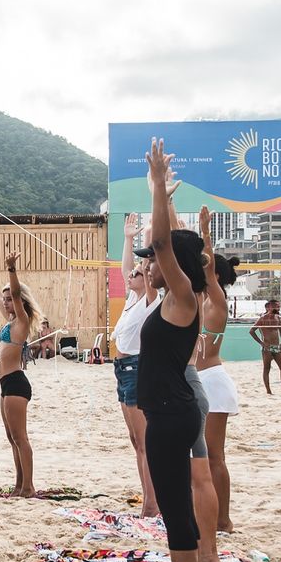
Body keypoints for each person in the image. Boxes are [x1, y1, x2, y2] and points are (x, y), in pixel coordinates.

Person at [135, 140, 210, 562]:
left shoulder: (182, 296)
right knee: (174, 510)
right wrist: (161, 198)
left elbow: (167, 244)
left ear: (174, 267)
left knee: (177, 513)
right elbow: (170, 242)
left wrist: (158, 186)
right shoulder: (172, 298)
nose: (149, 264)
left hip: (171, 414)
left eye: (154, 260)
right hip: (166, 413)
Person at [196, 207, 243, 535]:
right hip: (201, 381)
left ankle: (224, 519)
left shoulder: (217, 301)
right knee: (201, 455)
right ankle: (212, 515)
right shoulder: (199, 300)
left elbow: (208, 268)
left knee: (214, 456)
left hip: (213, 380)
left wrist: (205, 233)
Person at [111, 212, 160, 518]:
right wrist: (128, 239)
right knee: (135, 441)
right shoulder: (133, 297)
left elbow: (141, 268)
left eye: (139, 274)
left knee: (144, 442)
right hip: (123, 370)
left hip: (136, 369)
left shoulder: (150, 300)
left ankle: (152, 504)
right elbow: (127, 268)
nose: (131, 276)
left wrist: (145, 245)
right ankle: (148, 498)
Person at [0, 251, 39, 497]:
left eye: (9, 299)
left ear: (20, 302)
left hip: (16, 382)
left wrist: (11, 269)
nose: (6, 302)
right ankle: (18, 484)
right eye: (5, 300)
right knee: (11, 437)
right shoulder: (10, 322)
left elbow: (14, 294)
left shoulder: (21, 321)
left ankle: (29, 486)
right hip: (5, 384)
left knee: (20, 437)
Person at [249, 300, 281, 395]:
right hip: (267, 347)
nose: (277, 308)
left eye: (278, 306)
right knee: (267, 368)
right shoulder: (262, 318)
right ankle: (268, 391)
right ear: (269, 307)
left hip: (276, 347)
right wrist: (261, 343)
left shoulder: (277, 318)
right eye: (276, 306)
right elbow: (251, 331)